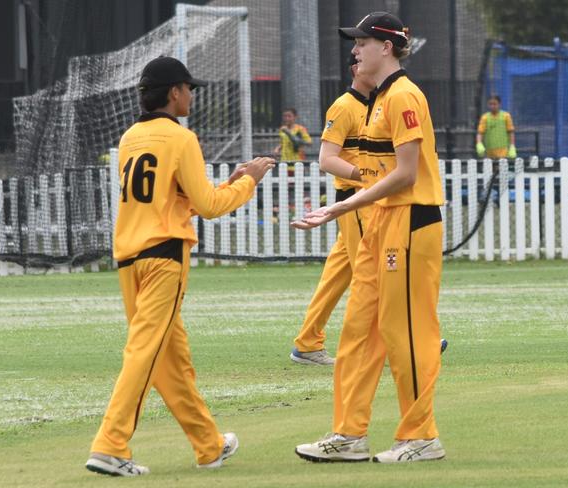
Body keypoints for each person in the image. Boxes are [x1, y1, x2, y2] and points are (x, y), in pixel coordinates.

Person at [85, 56, 275, 477]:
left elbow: (174, 198)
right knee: (145, 354)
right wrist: (248, 182)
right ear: (174, 93)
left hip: (129, 260)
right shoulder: (180, 138)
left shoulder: (131, 137)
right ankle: (111, 444)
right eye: (189, 88)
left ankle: (208, 445)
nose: (191, 95)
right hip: (164, 258)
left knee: (172, 361)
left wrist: (229, 182)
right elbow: (207, 207)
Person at [293, 12, 446, 463]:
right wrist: (352, 204)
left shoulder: (403, 96)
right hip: (380, 222)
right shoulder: (377, 100)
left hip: (409, 220)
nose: (355, 50)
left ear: (387, 47)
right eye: (356, 42)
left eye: (362, 42)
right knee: (359, 330)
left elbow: (407, 174)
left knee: (406, 333)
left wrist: (343, 205)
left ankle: (421, 437)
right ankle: (349, 435)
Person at [290, 54, 376, 366]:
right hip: (355, 203)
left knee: (337, 277)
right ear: (355, 69)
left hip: (360, 202)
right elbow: (326, 160)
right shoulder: (343, 106)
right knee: (375, 273)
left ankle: (307, 343)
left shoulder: (377, 105)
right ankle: (407, 340)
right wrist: (368, 176)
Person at [476, 95, 516, 159]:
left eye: (495, 104)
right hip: (489, 151)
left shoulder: (506, 116)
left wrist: (512, 146)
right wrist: (479, 143)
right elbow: (480, 132)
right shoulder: (485, 117)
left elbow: (511, 132)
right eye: (490, 104)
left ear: (499, 104)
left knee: (502, 167)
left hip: (503, 151)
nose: (492, 106)